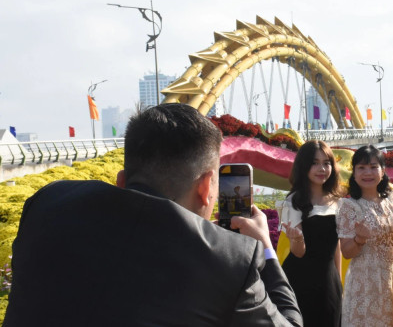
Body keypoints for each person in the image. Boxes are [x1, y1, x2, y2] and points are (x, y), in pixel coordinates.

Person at [3, 103, 302, 327]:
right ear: (207, 187)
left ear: (122, 180)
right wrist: (265, 245)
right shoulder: (227, 259)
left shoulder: (47, 204)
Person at [277, 140, 344, 327]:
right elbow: (298, 252)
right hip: (300, 280)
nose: (321, 168)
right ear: (303, 166)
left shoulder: (339, 202)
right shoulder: (293, 201)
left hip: (328, 281)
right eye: (314, 163)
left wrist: (338, 282)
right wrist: (297, 238)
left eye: (326, 163)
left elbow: (336, 246)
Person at [336, 145, 393, 327]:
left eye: (374, 167)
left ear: (382, 171)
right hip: (367, 284)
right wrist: (359, 239)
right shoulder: (349, 206)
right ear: (354, 173)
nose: (368, 173)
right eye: (361, 168)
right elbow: (347, 252)